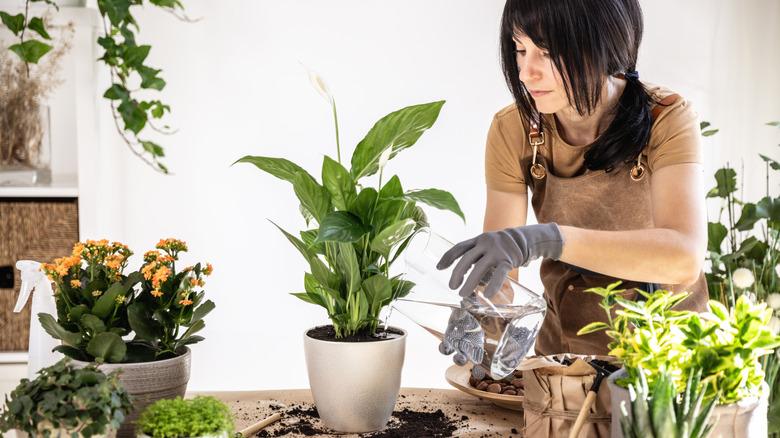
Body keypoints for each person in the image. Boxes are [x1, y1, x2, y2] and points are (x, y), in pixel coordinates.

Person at [437, 0, 709, 369]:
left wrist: (547, 239)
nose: (526, 73)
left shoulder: (667, 119)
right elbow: (503, 276)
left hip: (662, 363)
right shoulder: (513, 129)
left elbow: (683, 257)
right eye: (520, 49)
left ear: (603, 46)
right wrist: (484, 313)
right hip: (563, 364)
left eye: (546, 53)